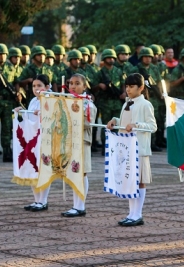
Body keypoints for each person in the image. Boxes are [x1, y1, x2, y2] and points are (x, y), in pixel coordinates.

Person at [106, 73, 157, 226]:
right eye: (126, 86)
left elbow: (153, 126)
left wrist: (137, 125)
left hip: (139, 149)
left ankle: (137, 214)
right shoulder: (127, 102)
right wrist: (115, 121)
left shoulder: (145, 104)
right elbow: (125, 122)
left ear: (141, 87)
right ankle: (131, 213)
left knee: (140, 182)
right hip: (126, 149)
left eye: (131, 86)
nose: (128, 89)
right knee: (130, 181)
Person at [13, 74, 52, 212]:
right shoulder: (33, 101)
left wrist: (43, 114)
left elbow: (54, 118)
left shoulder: (51, 99)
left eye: (39, 86)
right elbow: (29, 120)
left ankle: (43, 201)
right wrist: (21, 112)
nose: (36, 89)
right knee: (33, 168)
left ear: (47, 87)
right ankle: (37, 200)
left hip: (46, 140)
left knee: (43, 170)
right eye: (34, 86)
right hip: (33, 140)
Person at [61, 74, 97, 217]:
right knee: (72, 173)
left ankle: (80, 205)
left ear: (84, 86)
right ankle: (75, 204)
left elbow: (88, 123)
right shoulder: (67, 101)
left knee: (81, 172)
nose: (73, 86)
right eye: (70, 83)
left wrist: (73, 116)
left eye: (77, 83)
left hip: (81, 141)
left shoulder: (88, 104)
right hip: (70, 140)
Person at [130, 47, 164, 152]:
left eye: (149, 57)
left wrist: (161, 92)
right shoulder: (135, 69)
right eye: (145, 57)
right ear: (141, 57)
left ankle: (153, 143)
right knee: (141, 119)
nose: (148, 59)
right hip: (142, 97)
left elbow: (158, 81)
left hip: (154, 98)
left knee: (154, 120)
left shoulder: (154, 68)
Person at [96, 49, 124, 155]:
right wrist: (99, 86)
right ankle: (105, 147)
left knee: (117, 126)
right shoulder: (100, 72)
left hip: (117, 102)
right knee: (106, 126)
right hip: (105, 102)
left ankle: (116, 147)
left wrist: (124, 93)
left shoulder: (118, 71)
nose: (111, 59)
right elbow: (94, 87)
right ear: (104, 59)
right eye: (108, 58)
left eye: (112, 58)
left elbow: (123, 84)